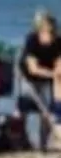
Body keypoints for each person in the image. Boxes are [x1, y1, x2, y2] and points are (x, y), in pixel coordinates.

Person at [21, 10, 61, 149]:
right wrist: (53, 74)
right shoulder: (32, 41)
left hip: (47, 78)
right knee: (26, 107)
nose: (52, 33)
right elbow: (33, 69)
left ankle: (43, 144)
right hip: (28, 78)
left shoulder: (58, 42)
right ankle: (22, 140)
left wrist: (56, 75)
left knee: (48, 110)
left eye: (53, 30)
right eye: (48, 30)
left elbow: (59, 66)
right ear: (40, 30)